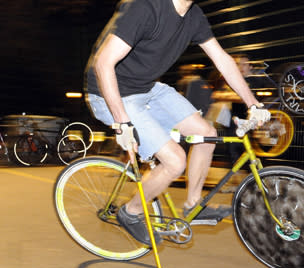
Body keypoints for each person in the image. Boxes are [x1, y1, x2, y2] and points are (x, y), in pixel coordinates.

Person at [84, 0, 270, 246]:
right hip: (110, 94)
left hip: (148, 89)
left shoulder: (194, 16)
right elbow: (103, 63)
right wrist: (122, 123)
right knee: (175, 162)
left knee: (207, 134)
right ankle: (131, 212)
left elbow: (222, 60)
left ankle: (193, 205)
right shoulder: (145, 7)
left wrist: (253, 103)